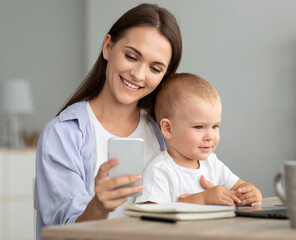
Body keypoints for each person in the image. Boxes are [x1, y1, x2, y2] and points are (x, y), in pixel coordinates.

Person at [34, 3, 182, 239]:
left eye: (155, 68)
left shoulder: (163, 132)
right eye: (131, 56)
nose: (139, 75)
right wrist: (99, 206)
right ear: (108, 47)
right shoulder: (64, 134)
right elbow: (65, 233)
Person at [135, 73, 262, 206]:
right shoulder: (161, 171)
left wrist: (250, 193)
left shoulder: (211, 163)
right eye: (199, 127)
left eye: (215, 126)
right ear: (168, 129)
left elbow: (239, 187)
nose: (210, 136)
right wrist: (203, 199)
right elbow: (150, 213)